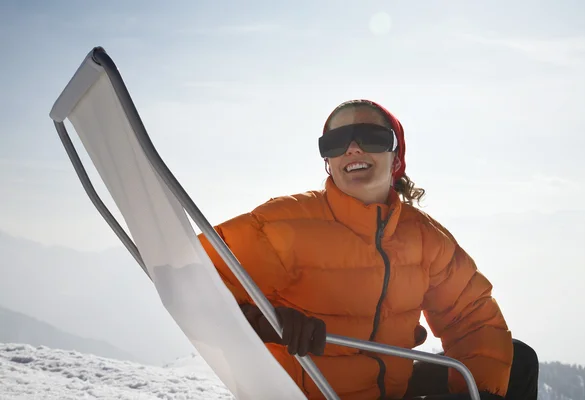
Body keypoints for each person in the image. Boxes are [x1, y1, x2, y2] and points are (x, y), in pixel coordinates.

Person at [197, 99, 539, 399]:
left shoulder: (423, 237)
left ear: (396, 158)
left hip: (389, 388)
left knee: (517, 361)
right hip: (316, 391)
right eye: (336, 141)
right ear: (328, 160)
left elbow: (470, 316)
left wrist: (482, 392)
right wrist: (261, 320)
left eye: (371, 138)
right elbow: (197, 280)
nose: (353, 148)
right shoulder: (285, 224)